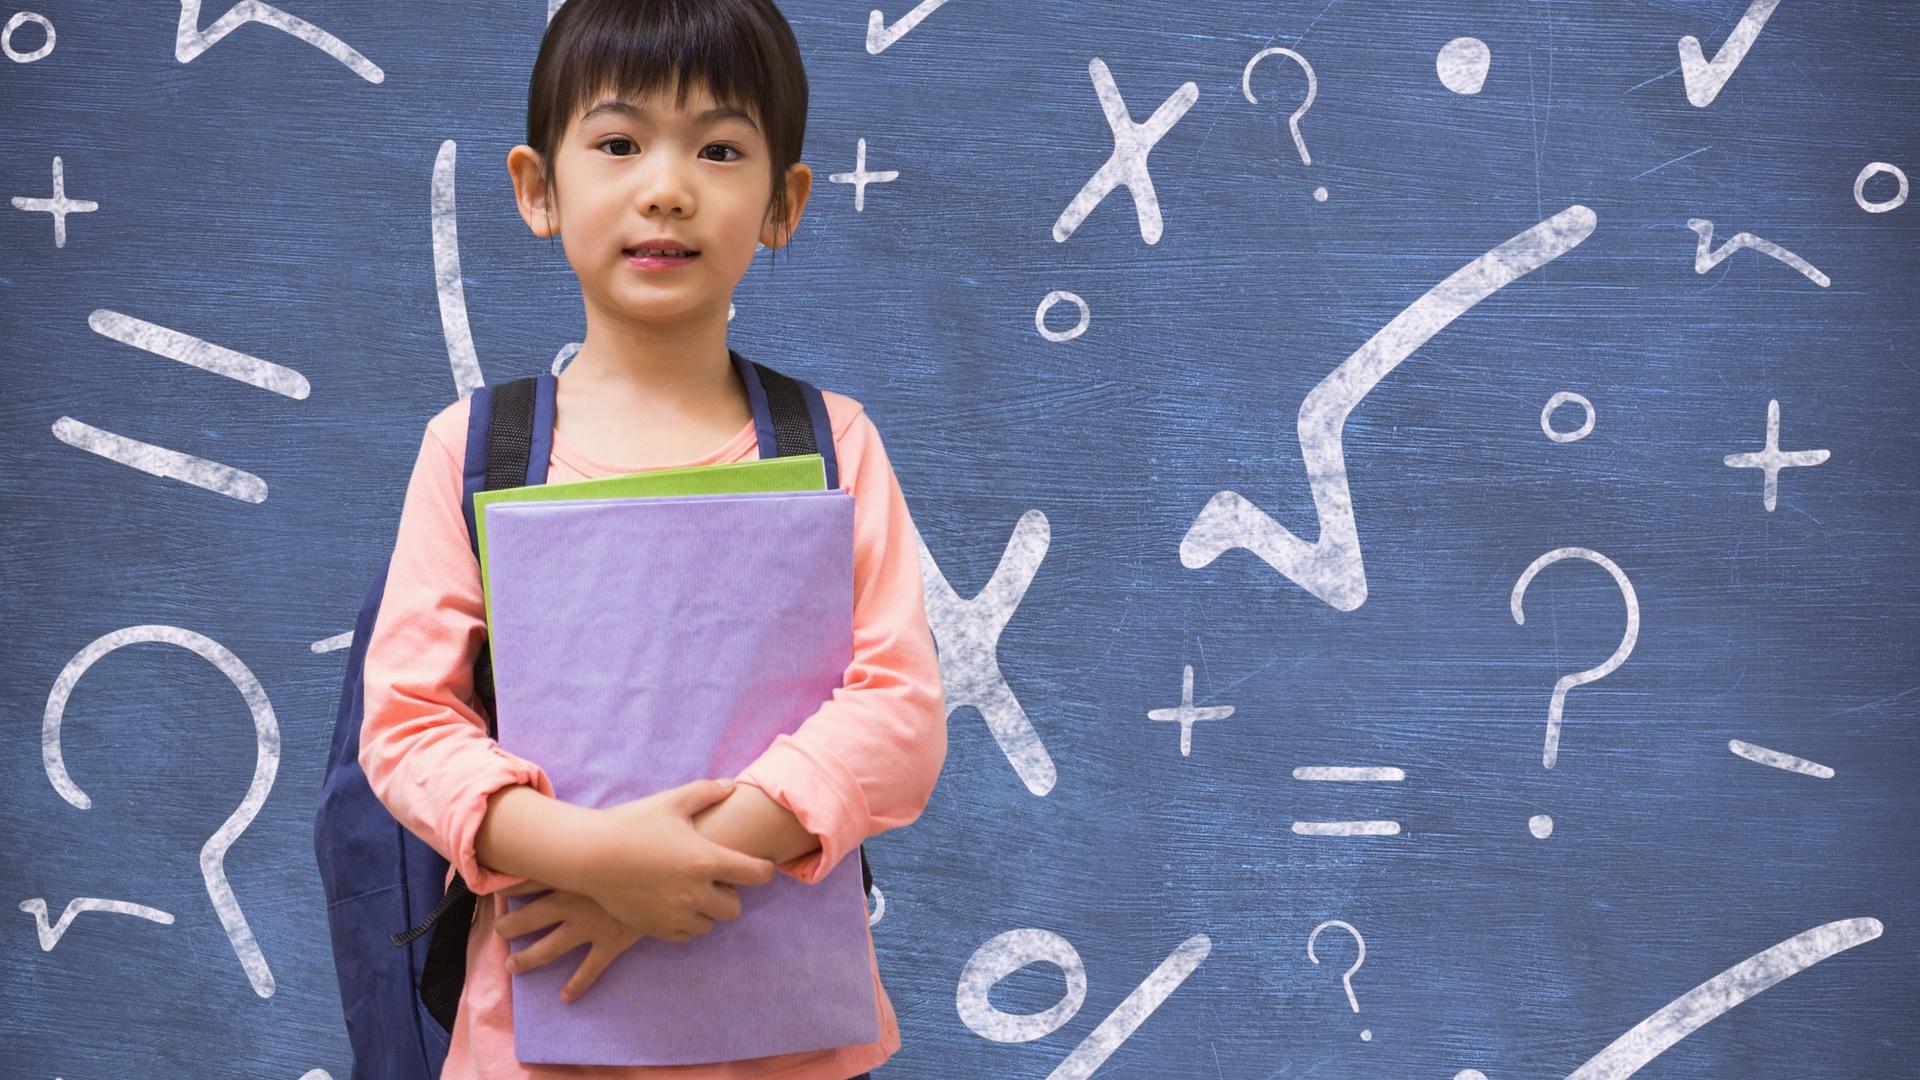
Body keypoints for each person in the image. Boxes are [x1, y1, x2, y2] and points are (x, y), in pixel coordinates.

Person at [356, 1, 947, 1076]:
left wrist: (677, 868)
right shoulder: (475, 449)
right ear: (539, 188)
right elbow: (406, 728)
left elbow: (899, 715)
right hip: (535, 1035)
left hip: (786, 1039)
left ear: (784, 204)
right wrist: (590, 855)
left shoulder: (834, 442)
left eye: (720, 149)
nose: (667, 186)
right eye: (620, 143)